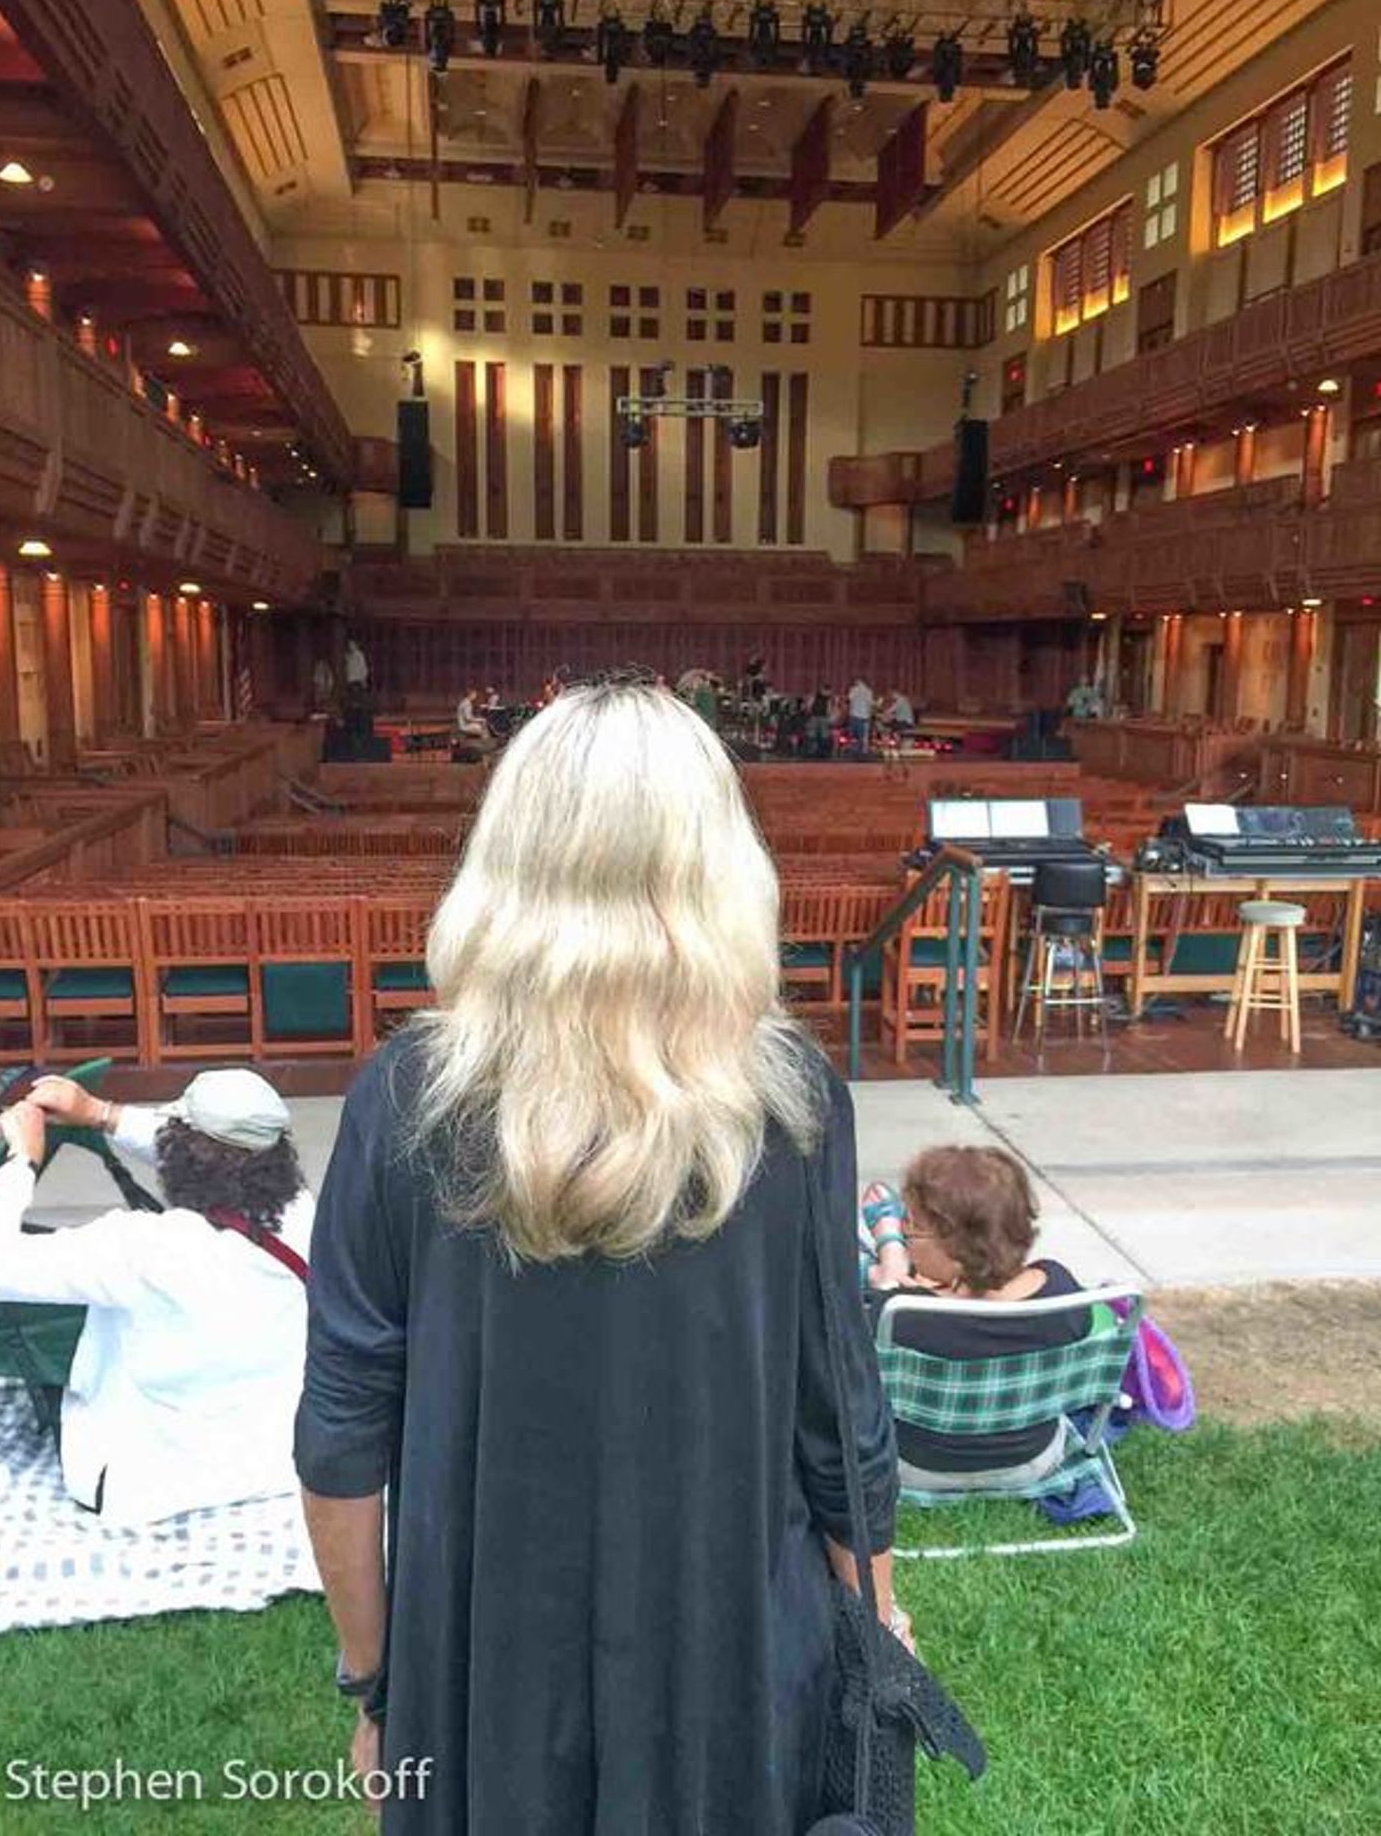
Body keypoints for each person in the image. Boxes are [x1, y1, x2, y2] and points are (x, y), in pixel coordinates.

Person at [295, 681, 906, 1833]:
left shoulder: (403, 1099)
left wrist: (376, 1681)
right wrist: (873, 1610)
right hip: (730, 1663)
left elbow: (339, 1441)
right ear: (720, 865)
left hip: (478, 1675)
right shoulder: (789, 1103)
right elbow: (843, 1418)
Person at [0, 1070, 311, 1526]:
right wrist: (97, 1113)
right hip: (268, 1464)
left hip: (153, 1481)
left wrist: (22, 1161)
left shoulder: (141, 1249)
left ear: (181, 1155)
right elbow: (210, 1150)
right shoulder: (302, 1212)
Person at [867, 1146, 1088, 1491]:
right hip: (1032, 1461)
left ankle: (887, 1254)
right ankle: (889, 1256)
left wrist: (893, 1281)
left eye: (912, 1228)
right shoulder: (1062, 1292)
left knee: (873, 1272)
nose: (909, 1237)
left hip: (916, 1467)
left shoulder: (901, 1313)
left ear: (954, 1247)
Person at [847, 675, 874, 755]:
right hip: (865, 716)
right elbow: (870, 704)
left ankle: (854, 751)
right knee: (864, 735)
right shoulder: (869, 691)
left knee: (854, 735)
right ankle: (863, 751)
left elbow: (849, 699)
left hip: (855, 715)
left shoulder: (853, 689)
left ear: (858, 681)